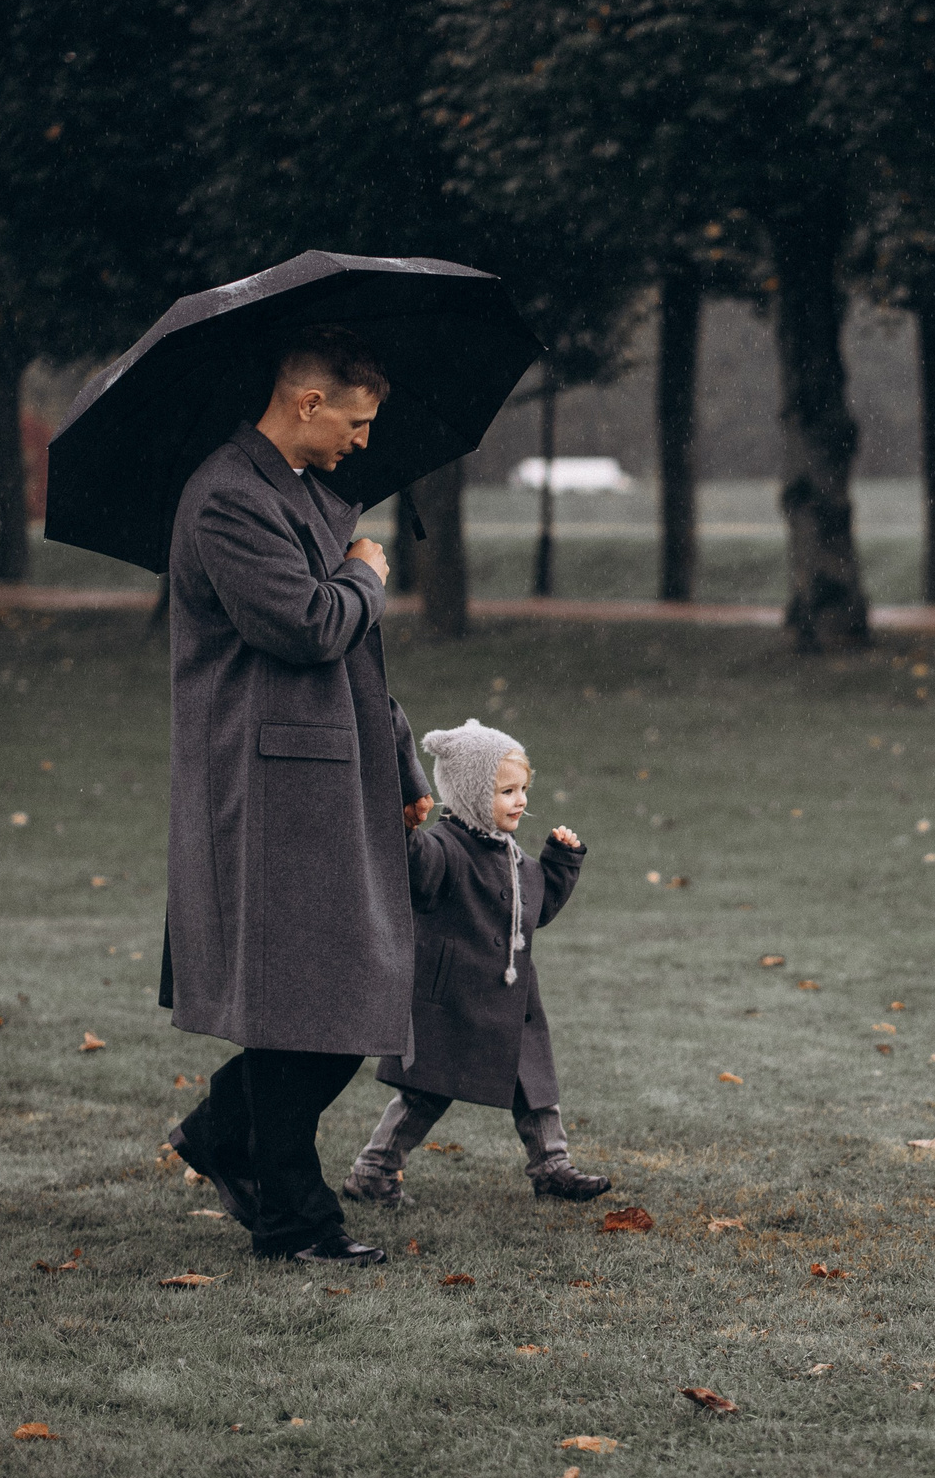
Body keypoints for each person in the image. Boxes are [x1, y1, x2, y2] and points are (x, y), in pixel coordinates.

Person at [159, 326, 433, 1266]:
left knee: (343, 995)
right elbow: (311, 626)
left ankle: (222, 1134)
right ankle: (294, 1217)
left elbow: (357, 660)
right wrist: (366, 570)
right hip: (265, 783)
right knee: (303, 1003)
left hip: (333, 773)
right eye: (354, 422)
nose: (363, 442)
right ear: (308, 403)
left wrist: (401, 766)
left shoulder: (316, 493)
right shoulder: (225, 498)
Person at [340, 719, 611, 1208]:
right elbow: (415, 871)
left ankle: (552, 1166)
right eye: (506, 790)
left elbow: (535, 912)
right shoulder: (445, 848)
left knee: (534, 1084)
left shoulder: (515, 856)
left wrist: (560, 864)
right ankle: (373, 1172)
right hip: (452, 999)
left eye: (523, 789)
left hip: (511, 999)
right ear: (467, 793)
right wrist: (405, 831)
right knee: (424, 1093)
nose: (521, 800)